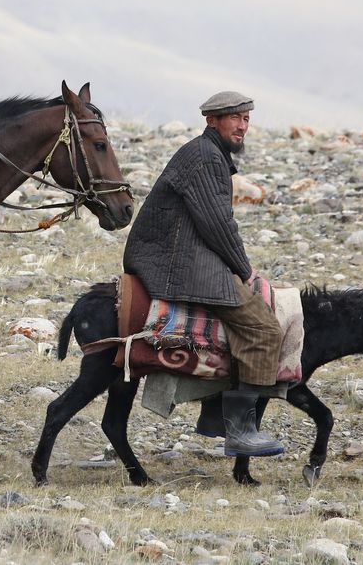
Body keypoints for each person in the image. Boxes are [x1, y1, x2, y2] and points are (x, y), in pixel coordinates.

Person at [123, 91, 285, 456]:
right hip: (178, 261)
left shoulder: (207, 153)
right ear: (212, 120)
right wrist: (244, 269)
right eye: (235, 118)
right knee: (264, 329)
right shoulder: (206, 157)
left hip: (178, 253)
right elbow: (217, 224)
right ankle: (241, 431)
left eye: (246, 119)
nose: (242, 126)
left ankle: (215, 417)